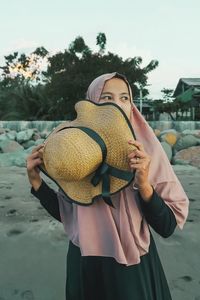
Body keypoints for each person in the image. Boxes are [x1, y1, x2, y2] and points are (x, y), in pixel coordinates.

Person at [26, 72, 189, 300]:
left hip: (131, 267)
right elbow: (69, 213)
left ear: (132, 104)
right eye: (107, 98)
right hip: (84, 261)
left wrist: (143, 185)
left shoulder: (147, 152)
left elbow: (167, 226)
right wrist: (38, 184)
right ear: (92, 103)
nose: (118, 105)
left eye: (124, 98)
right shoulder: (76, 150)